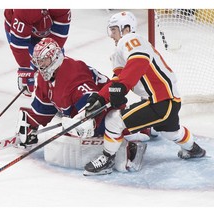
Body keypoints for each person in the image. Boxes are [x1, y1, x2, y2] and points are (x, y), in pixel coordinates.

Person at [83, 11, 206, 176]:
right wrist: (100, 96)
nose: (111, 35)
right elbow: (117, 80)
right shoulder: (122, 51)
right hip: (169, 101)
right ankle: (194, 149)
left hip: (160, 101)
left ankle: (107, 160)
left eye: (114, 30)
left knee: (113, 121)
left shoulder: (130, 40)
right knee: (171, 132)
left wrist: (122, 87)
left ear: (126, 28)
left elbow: (138, 61)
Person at [15, 37, 146, 171]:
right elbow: (44, 107)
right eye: (39, 62)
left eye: (43, 61)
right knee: (71, 129)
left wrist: (80, 122)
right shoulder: (46, 76)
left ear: (54, 58)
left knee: (85, 129)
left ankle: (134, 136)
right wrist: (30, 125)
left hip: (108, 108)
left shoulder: (73, 74)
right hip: (77, 110)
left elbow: (93, 105)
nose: (40, 65)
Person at [4, 9, 71, 97]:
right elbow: (19, 43)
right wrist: (25, 70)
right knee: (42, 65)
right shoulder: (24, 10)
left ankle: (57, 99)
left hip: (45, 31)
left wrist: (51, 55)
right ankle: (44, 101)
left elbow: (60, 32)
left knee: (56, 65)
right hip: (19, 30)